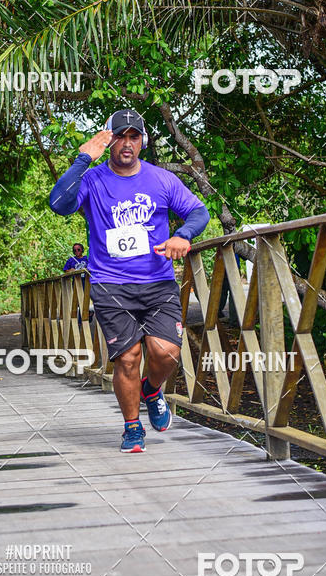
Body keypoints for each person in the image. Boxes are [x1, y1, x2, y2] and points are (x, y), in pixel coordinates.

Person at [49, 108, 210, 452]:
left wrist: (184, 235)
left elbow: (199, 211)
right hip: (111, 283)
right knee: (127, 358)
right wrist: (82, 159)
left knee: (165, 353)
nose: (126, 143)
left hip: (158, 282)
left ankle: (152, 389)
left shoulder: (162, 179)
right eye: (119, 136)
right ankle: (132, 427)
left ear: (142, 142)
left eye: (133, 136)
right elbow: (60, 204)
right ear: (108, 141)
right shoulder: (92, 180)